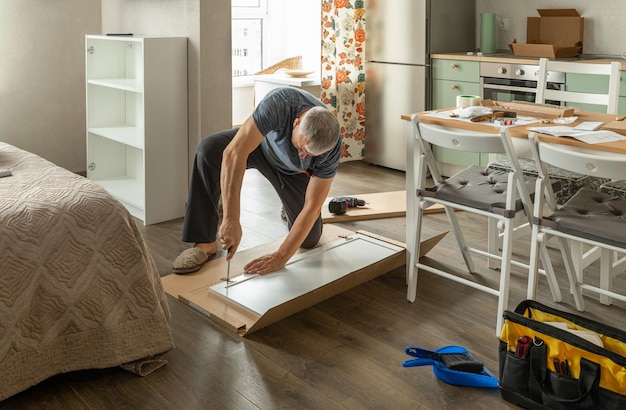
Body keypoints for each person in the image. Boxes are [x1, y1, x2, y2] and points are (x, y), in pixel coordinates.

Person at [172, 87, 342, 275]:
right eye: (301, 148)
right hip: (260, 147)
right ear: (296, 123)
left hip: (293, 173)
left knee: (309, 240)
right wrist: (231, 219)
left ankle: (288, 206)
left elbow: (312, 207)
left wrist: (281, 256)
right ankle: (204, 242)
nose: (302, 155)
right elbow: (234, 153)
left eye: (309, 154)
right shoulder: (281, 103)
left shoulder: (332, 148)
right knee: (209, 149)